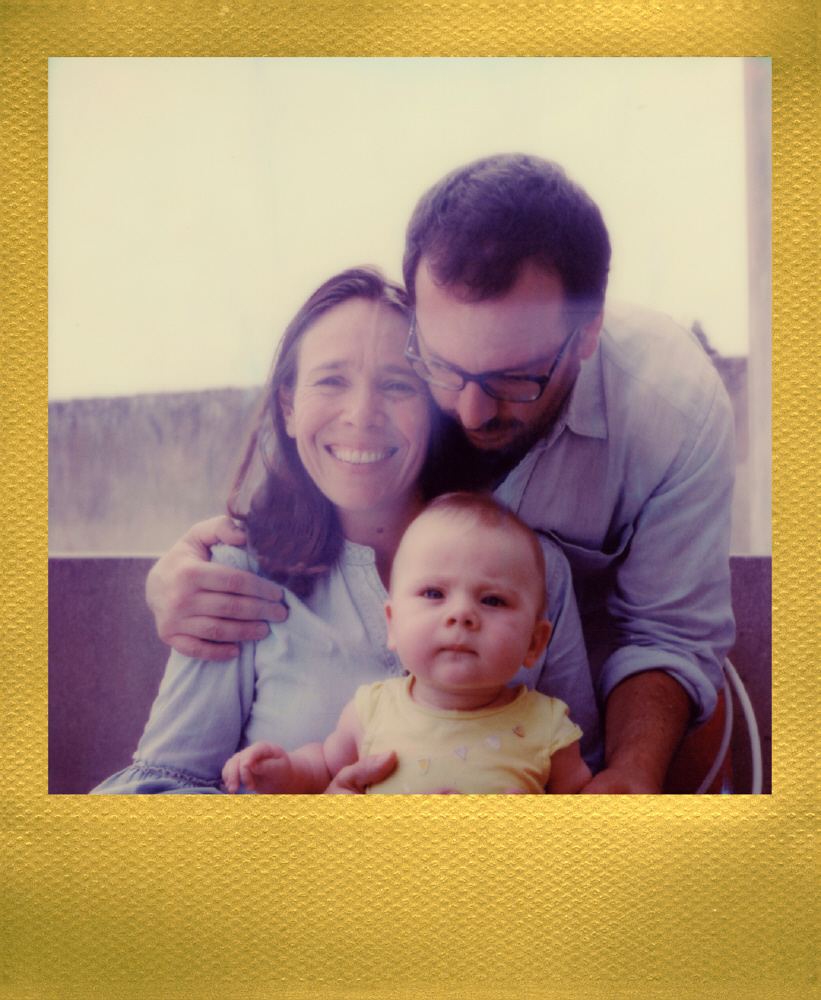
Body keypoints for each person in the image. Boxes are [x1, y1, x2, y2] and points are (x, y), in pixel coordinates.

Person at [146, 153, 736, 794]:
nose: (471, 412)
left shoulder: (670, 410)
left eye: (515, 378)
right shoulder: (378, 365)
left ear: (587, 331)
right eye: (442, 368)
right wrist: (172, 574)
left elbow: (668, 636)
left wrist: (626, 784)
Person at [91, 267, 598, 794]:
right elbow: (149, 797)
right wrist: (315, 827)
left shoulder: (536, 572)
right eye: (331, 380)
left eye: (397, 385)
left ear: (435, 411)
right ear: (289, 407)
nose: (361, 415)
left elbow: (587, 793)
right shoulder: (237, 575)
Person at [222, 493, 591, 795]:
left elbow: (582, 823)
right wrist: (284, 772)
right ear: (393, 624)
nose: (461, 614)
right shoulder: (371, 711)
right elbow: (324, 767)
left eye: (492, 600)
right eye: (434, 593)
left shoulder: (548, 728)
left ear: (535, 642)